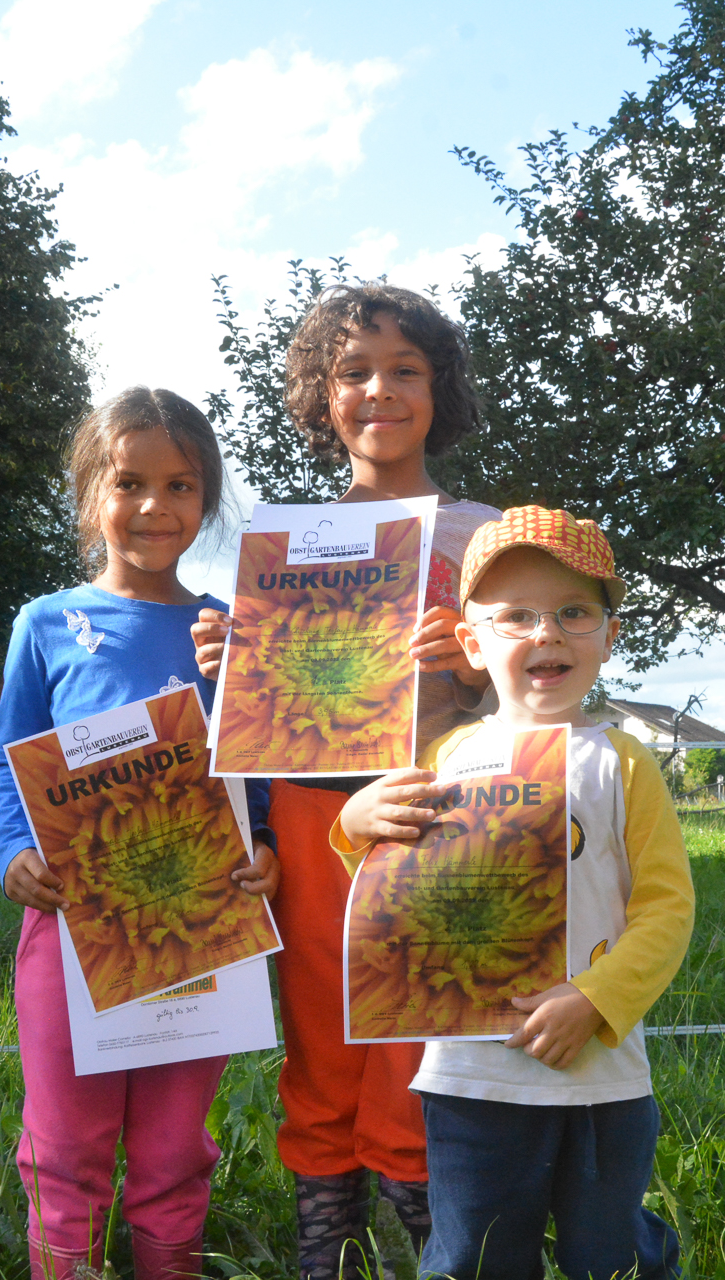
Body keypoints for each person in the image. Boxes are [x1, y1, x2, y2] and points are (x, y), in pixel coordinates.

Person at [192, 283, 500, 1277]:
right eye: (354, 372)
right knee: (320, 1032)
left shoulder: (486, 533)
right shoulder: (279, 545)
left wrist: (471, 668)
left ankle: (427, 1223)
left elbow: (534, 689)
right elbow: (252, 717)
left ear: (440, 386)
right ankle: (325, 1234)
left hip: (433, 811)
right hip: (310, 810)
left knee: (417, 1032)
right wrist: (228, 660)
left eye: (405, 369)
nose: (380, 390)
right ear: (322, 396)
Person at [333, 506, 694, 1280]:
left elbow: (667, 910)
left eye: (574, 613)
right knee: (473, 1257)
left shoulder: (623, 761)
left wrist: (596, 999)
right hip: (471, 1077)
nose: (546, 633)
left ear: (609, 635)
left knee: (611, 1257)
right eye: (516, 616)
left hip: (601, 1078)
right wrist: (353, 823)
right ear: (472, 643)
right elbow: (393, 890)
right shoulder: (447, 756)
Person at [0, 386, 279, 1280]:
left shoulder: (232, 630)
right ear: (89, 493)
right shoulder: (45, 623)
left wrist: (264, 843)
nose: (156, 505)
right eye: (130, 483)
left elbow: (258, 761)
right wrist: (13, 851)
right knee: (63, 1145)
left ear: (208, 497)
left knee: (173, 1147)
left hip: (201, 930)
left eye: (181, 485)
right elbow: (6, 760)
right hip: (70, 925)